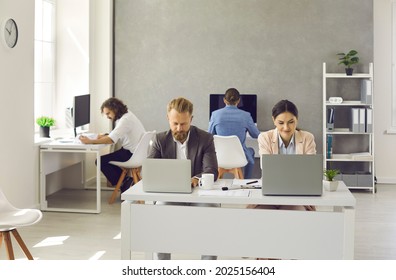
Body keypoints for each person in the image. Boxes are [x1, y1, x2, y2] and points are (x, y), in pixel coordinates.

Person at [148, 97, 218, 260]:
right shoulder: (159, 140)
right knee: (160, 215)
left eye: (184, 124)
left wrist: (194, 179)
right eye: (175, 123)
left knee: (212, 213)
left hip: (198, 193)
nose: (179, 128)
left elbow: (211, 170)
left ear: (191, 119)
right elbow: (150, 170)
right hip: (169, 194)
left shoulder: (205, 138)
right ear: (168, 119)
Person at [253, 99, 316, 211]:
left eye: (291, 122)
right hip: (271, 191)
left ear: (297, 119)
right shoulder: (265, 137)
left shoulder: (307, 138)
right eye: (281, 123)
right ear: (274, 120)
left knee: (297, 212)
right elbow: (267, 168)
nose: (286, 128)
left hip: (298, 193)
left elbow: (310, 172)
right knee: (256, 213)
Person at [79, 97, 146, 193]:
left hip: (131, 154)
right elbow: (115, 135)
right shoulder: (127, 115)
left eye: (108, 113)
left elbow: (111, 140)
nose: (107, 117)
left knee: (100, 161)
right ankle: (125, 181)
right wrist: (101, 136)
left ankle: (124, 182)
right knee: (106, 160)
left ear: (115, 109)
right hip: (136, 152)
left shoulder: (125, 120)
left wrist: (90, 141)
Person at [208, 88, 260, 179]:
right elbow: (256, 135)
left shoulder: (215, 114)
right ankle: (247, 179)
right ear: (239, 101)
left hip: (220, 157)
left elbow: (209, 135)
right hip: (239, 158)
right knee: (251, 151)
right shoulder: (246, 115)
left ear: (224, 100)